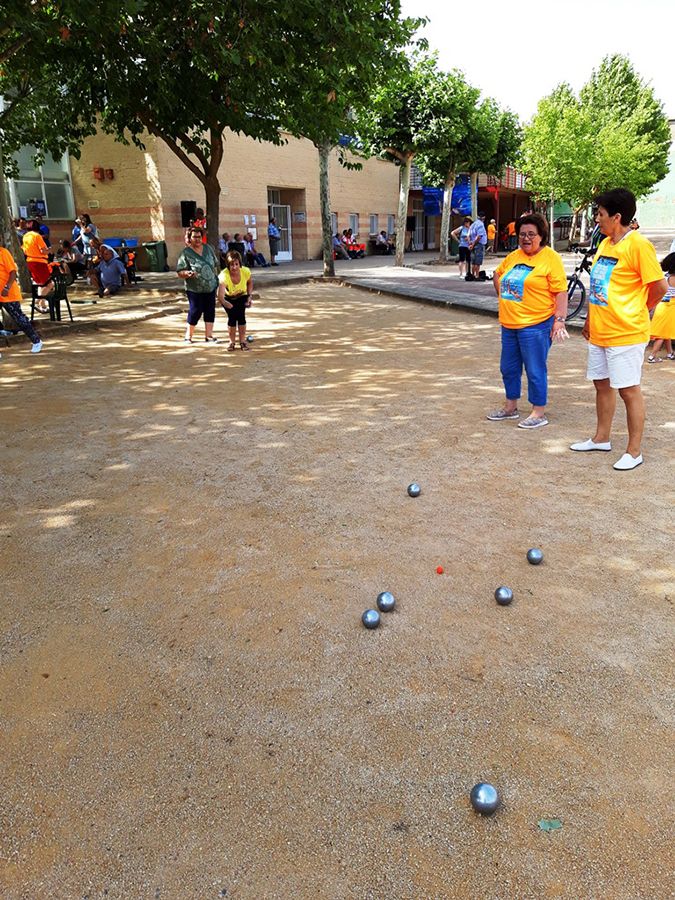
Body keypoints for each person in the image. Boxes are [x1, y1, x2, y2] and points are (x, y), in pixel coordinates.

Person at [570, 188, 667, 471]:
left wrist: (638, 309)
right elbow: (599, 284)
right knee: (601, 384)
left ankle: (634, 451)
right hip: (600, 329)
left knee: (628, 390)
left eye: (600, 214)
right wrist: (590, 317)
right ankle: (601, 438)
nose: (596, 219)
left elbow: (660, 287)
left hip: (626, 332)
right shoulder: (605, 244)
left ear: (617, 216)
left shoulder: (638, 245)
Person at [488, 213, 569, 429]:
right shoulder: (514, 256)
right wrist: (503, 295)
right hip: (509, 323)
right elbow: (497, 274)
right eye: (522, 234)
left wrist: (559, 320)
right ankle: (510, 407)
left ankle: (538, 411)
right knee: (508, 367)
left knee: (535, 369)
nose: (526, 238)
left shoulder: (551, 258)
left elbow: (561, 292)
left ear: (541, 235)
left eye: (531, 234)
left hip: (536, 324)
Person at [176, 226, 220, 343]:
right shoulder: (185, 253)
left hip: (210, 286)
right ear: (190, 238)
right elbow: (179, 271)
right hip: (194, 288)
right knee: (195, 310)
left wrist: (218, 279)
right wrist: (187, 273)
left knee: (210, 310)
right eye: (194, 237)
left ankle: (209, 336)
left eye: (199, 237)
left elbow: (215, 264)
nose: (197, 239)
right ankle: (188, 336)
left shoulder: (208, 248)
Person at [0, 241, 43, 359]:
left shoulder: (4, 253)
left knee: (19, 318)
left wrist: (7, 287)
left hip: (8, 293)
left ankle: (36, 341)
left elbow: (13, 273)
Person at [217, 250, 253, 351]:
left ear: (240, 264)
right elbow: (220, 295)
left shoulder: (245, 271)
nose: (234, 267)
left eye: (236, 264)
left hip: (242, 295)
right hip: (228, 298)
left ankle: (242, 341)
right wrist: (224, 302)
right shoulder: (224, 275)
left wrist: (249, 296)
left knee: (241, 316)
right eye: (231, 264)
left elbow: (250, 283)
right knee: (232, 317)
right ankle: (231, 342)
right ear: (228, 265)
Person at [646, 252, 675, 362]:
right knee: (661, 334)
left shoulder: (666, 276)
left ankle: (669, 353)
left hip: (663, 305)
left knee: (664, 331)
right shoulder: (674, 278)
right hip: (670, 306)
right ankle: (652, 356)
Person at [22, 220, 53, 313]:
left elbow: (24, 249)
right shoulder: (37, 236)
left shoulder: (25, 236)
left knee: (41, 284)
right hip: (39, 262)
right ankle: (37, 302)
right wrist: (49, 250)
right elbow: (43, 250)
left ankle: (42, 305)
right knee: (50, 284)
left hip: (30, 261)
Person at [468, 212, 488, 279]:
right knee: (478, 261)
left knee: (473, 261)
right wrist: (473, 244)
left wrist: (470, 243)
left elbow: (468, 235)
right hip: (478, 244)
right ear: (483, 217)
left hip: (473, 244)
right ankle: (477, 276)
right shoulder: (480, 224)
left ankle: (473, 275)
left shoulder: (473, 224)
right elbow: (479, 236)